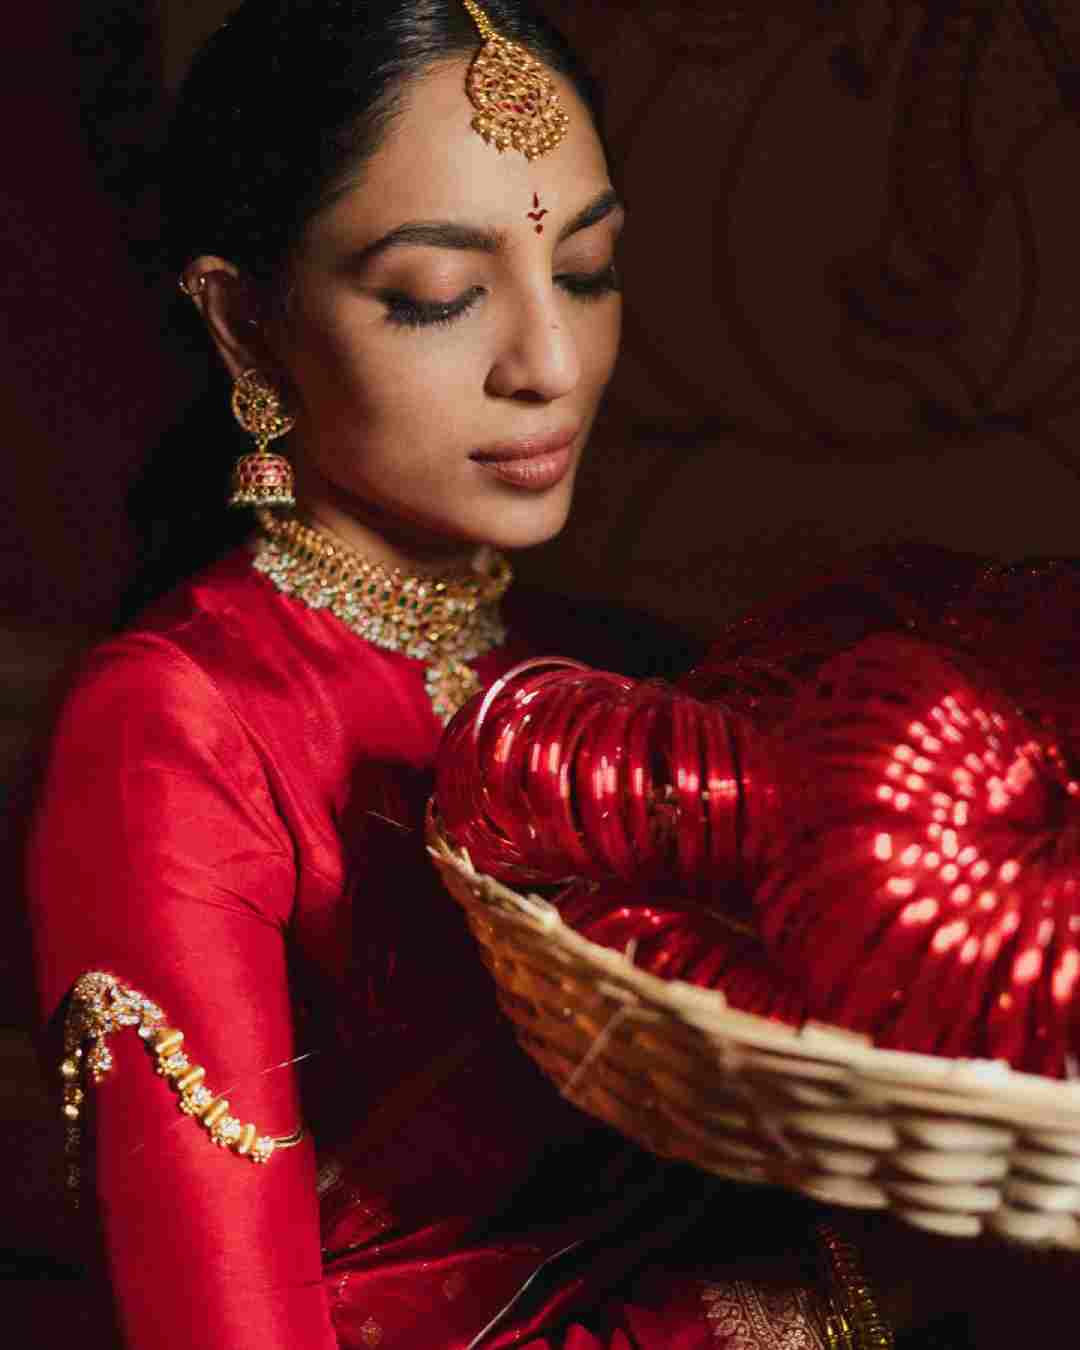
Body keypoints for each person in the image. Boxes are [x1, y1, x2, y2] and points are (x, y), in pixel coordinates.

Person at [25, 3, 989, 1346]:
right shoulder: (172, 727)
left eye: (585, 272)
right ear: (248, 326)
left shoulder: (603, 670)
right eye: (437, 294)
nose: (549, 365)